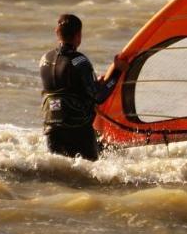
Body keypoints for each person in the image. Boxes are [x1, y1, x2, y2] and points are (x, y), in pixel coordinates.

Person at [39, 13, 127, 160]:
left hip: (52, 129)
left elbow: (65, 88)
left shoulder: (44, 60)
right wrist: (117, 72)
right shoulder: (79, 61)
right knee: (90, 176)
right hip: (78, 130)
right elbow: (99, 97)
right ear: (78, 36)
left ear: (57, 32)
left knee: (60, 175)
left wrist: (93, 84)